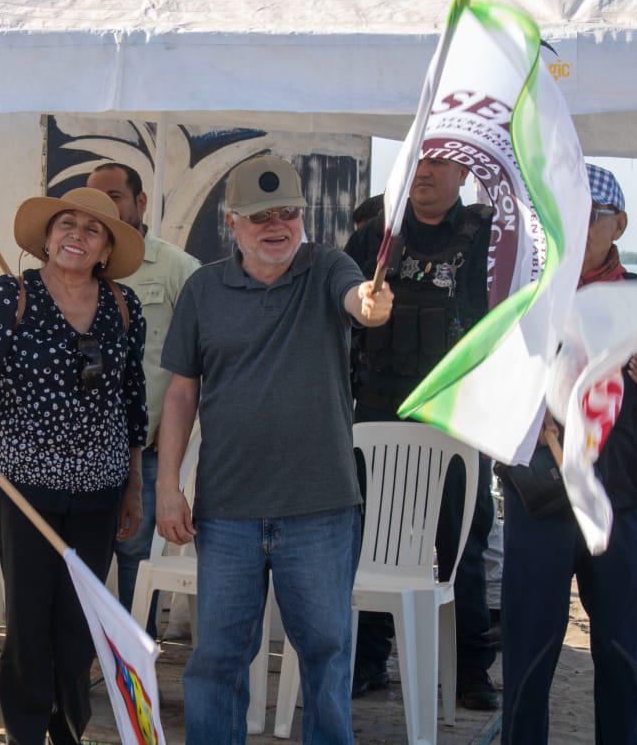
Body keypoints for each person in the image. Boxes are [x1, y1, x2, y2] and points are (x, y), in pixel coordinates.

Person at [155, 155, 392, 743]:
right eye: (260, 216)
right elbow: (181, 394)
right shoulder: (203, 289)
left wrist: (369, 304)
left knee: (327, 656)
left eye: (287, 212)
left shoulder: (328, 266)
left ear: (303, 218)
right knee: (216, 662)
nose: (275, 225)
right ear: (232, 223)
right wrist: (166, 485)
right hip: (227, 510)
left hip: (320, 507)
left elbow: (357, 298)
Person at [0, 186, 147, 744]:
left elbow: (132, 401)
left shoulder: (125, 306)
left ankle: (68, 729)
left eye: (91, 229)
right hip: (26, 487)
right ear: (48, 239)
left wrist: (135, 486)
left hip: (101, 489)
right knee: (30, 621)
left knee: (80, 625)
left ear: (105, 250)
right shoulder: (15, 294)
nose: (76, 235)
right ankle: (25, 733)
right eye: (66, 224)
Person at [499, 165, 637, 745]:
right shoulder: (527, 293)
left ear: (620, 225)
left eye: (592, 218)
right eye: (565, 216)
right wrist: (528, 418)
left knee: (621, 652)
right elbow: (491, 390)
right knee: (529, 655)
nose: (578, 229)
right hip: (540, 498)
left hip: (623, 502)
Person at [344, 155, 499, 708]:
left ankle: (470, 670)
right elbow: (338, 322)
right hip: (380, 409)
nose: (426, 174)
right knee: (371, 540)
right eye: (418, 163)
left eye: (439, 164)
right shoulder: (373, 241)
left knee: (460, 544)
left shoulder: (488, 240)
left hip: (458, 415)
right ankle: (367, 659)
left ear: (463, 175)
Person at [85, 162, 199, 633]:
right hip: (81, 450)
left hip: (146, 449)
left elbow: (200, 358)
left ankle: (137, 660)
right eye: (94, 199)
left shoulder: (176, 268)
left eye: (114, 196)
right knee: (83, 556)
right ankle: (82, 663)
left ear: (140, 203)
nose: (105, 208)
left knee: (135, 553)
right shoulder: (74, 264)